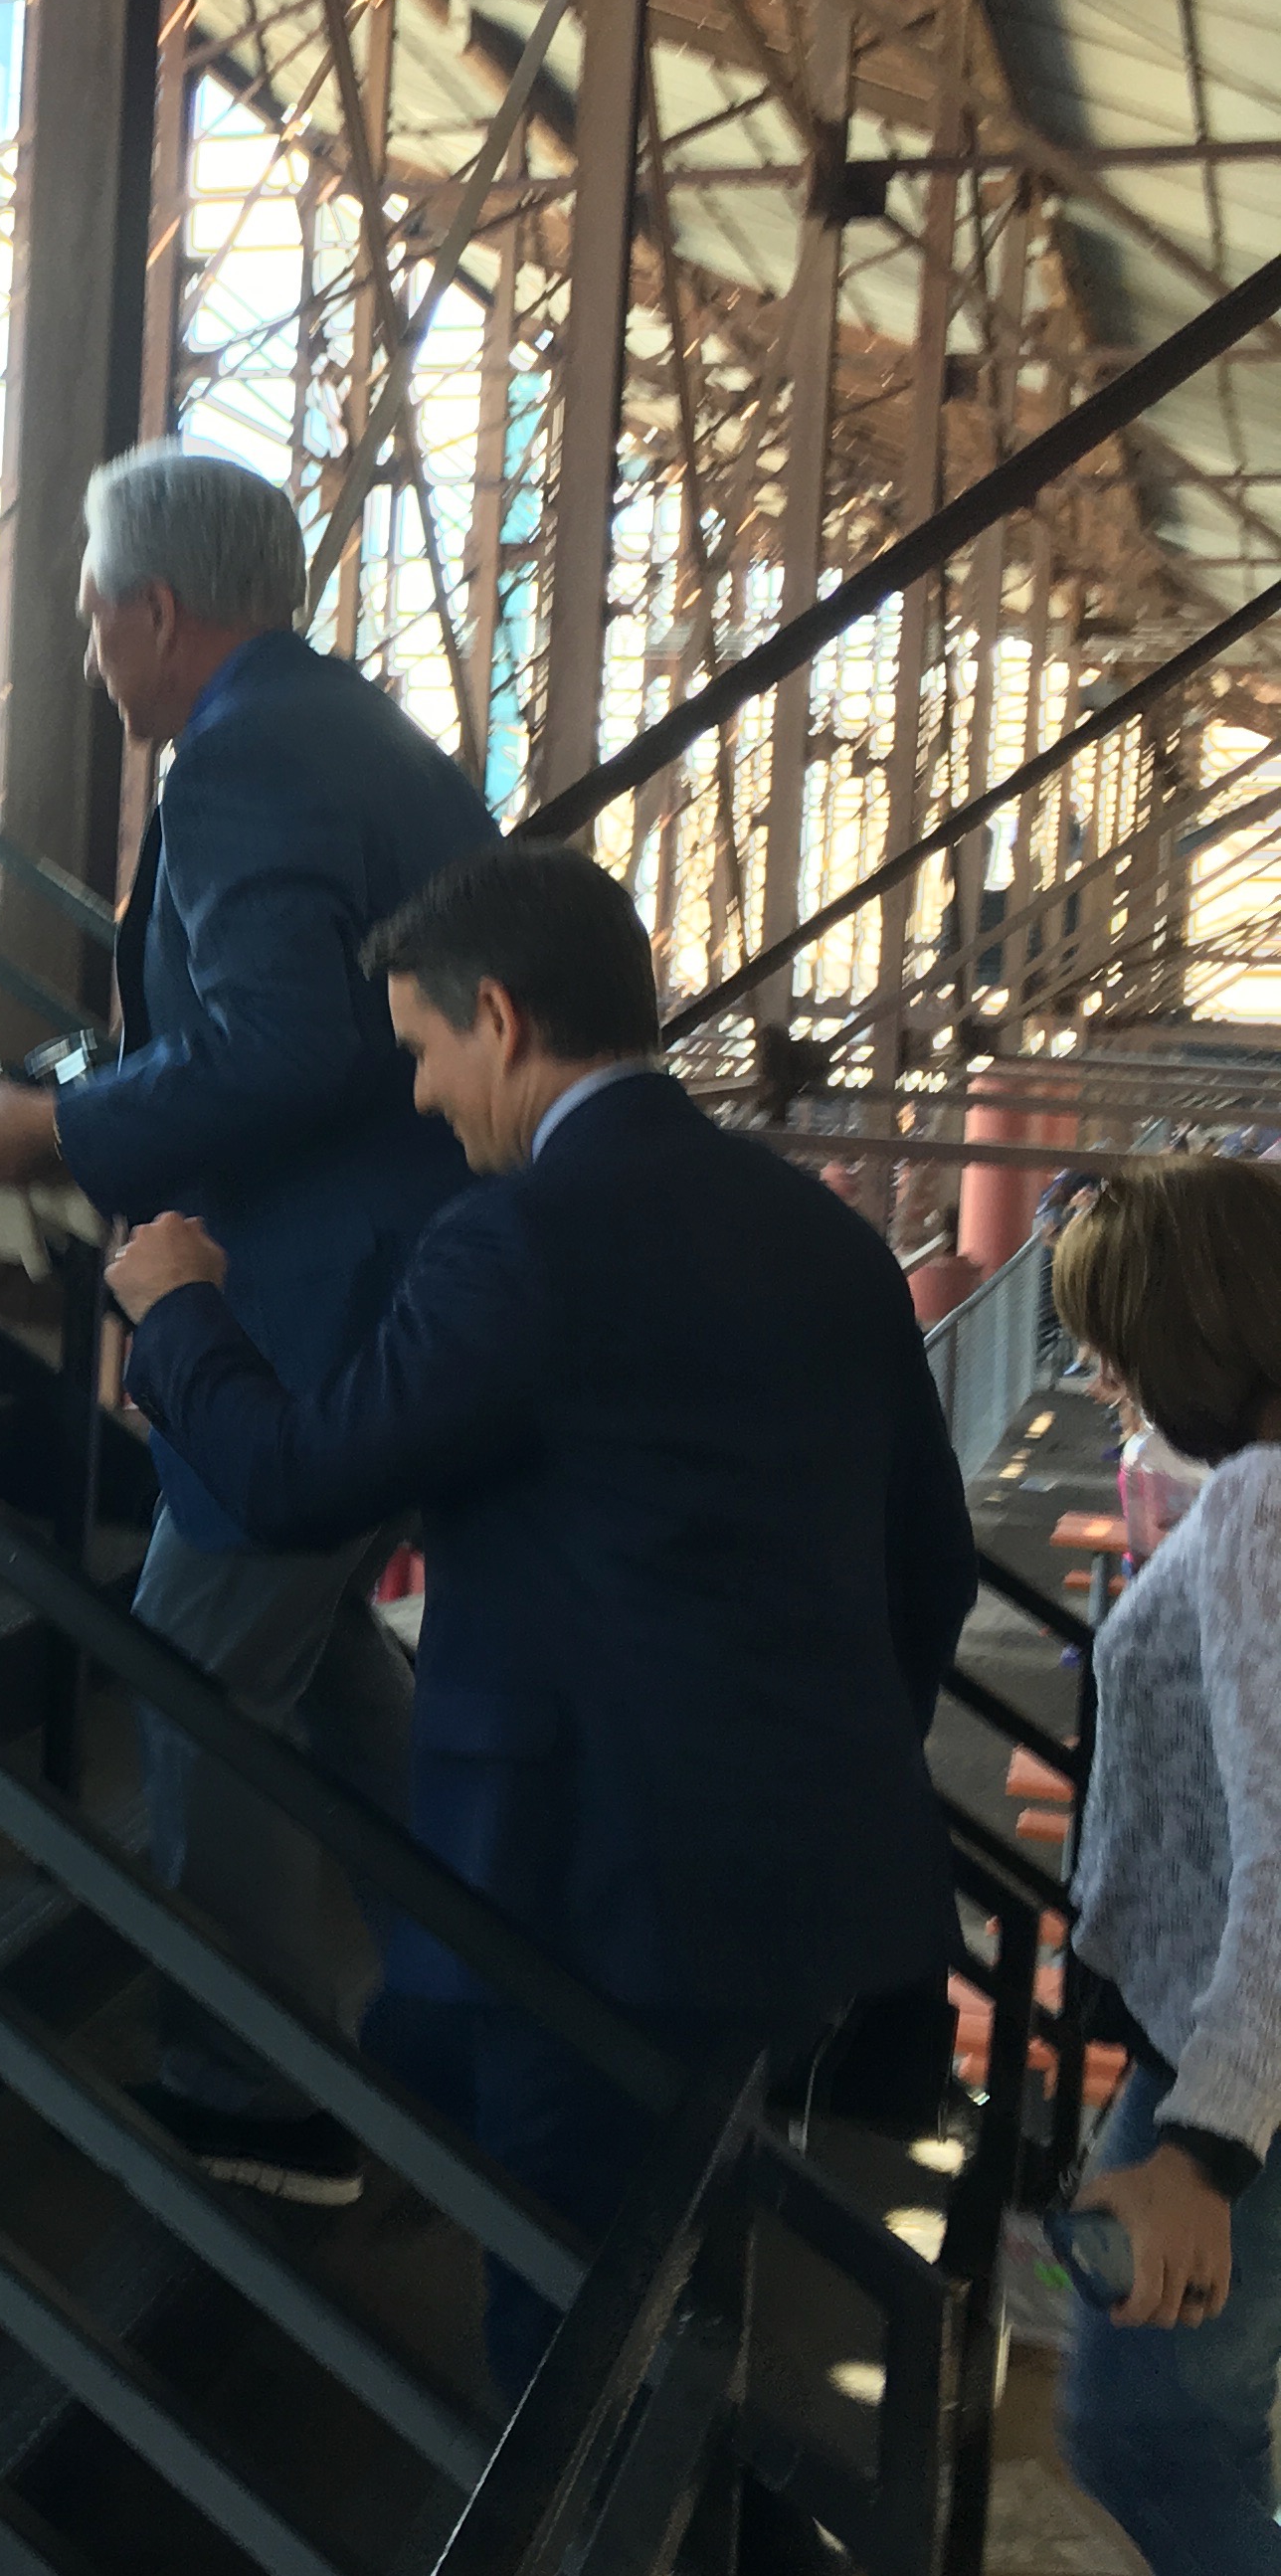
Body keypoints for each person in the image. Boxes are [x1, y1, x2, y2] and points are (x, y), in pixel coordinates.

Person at [107, 844, 972, 2390]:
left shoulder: (518, 1240)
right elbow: (933, 1562)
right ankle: (708, 2470)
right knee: (670, 2221)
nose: (421, 1095)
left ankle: (603, 2522)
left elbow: (297, 1481)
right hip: (802, 1883)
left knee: (567, 2301)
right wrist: (820, 1764)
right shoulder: (823, 1236)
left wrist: (178, 1311)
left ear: (498, 1018)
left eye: (423, 1050)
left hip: (591, 1896)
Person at [0, 445, 495, 2206]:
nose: (88, 641)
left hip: (332, 1293)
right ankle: (478, 2000)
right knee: (314, 1659)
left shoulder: (247, 760)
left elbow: (283, 1045)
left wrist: (52, 1127)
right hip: (405, 1261)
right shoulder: (356, 731)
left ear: (153, 608)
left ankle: (254, 2095)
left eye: (89, 608)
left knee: (192, 1650)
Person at [1000, 1158, 1281, 2576]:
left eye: (1110, 1340)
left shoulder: (1262, 1507)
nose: (1101, 1377)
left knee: (1131, 2428)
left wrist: (1200, 2148)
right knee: (1206, 2434)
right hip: (1219, 2059)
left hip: (1227, 2083)